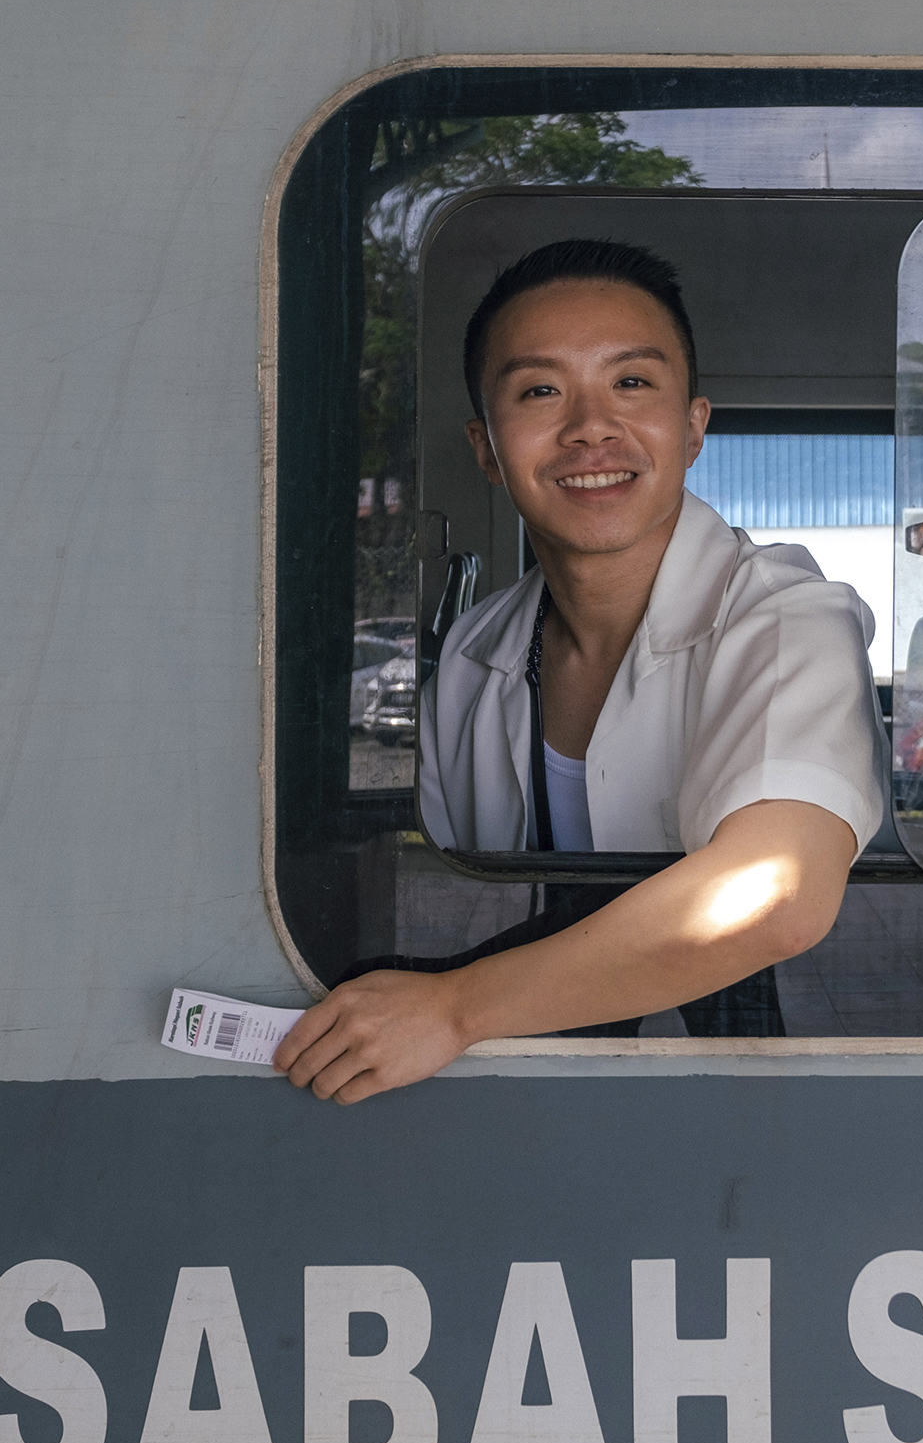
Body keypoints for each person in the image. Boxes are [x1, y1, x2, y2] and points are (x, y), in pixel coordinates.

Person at [275, 237, 889, 1103]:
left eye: (632, 383)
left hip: (730, 1105)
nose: (590, 426)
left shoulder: (786, 618)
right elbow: (460, 902)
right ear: (487, 450)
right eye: (540, 391)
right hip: (526, 1091)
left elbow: (775, 893)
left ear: (692, 427)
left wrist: (454, 1011)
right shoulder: (474, 654)